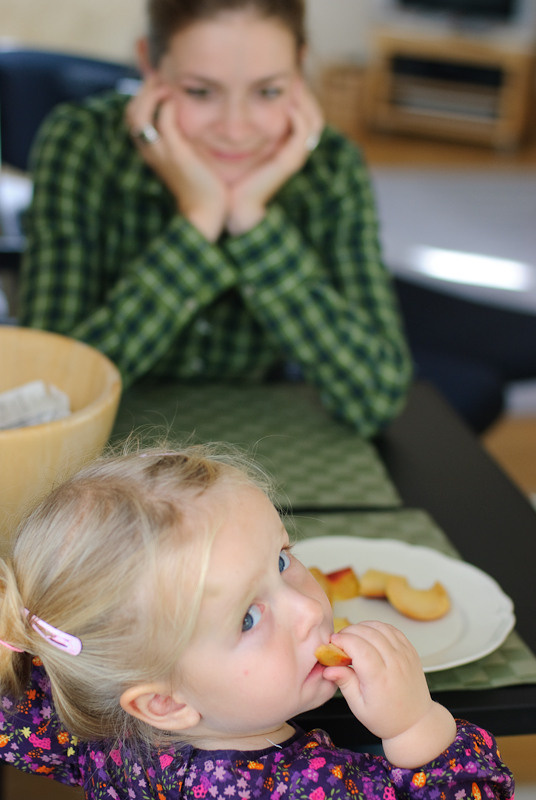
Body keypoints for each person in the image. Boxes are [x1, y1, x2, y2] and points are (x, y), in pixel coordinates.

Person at [0, 445, 514, 799]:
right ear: (166, 703)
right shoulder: (301, 787)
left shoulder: (86, 707)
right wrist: (415, 726)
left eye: (283, 560)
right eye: (247, 617)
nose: (311, 608)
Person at [18, 0, 412, 438]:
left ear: (300, 68)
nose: (235, 129)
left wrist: (252, 221)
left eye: (268, 92)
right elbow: (48, 400)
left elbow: (378, 395)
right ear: (150, 63)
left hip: (259, 447)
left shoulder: (331, 165)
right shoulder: (81, 143)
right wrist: (198, 220)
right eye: (201, 92)